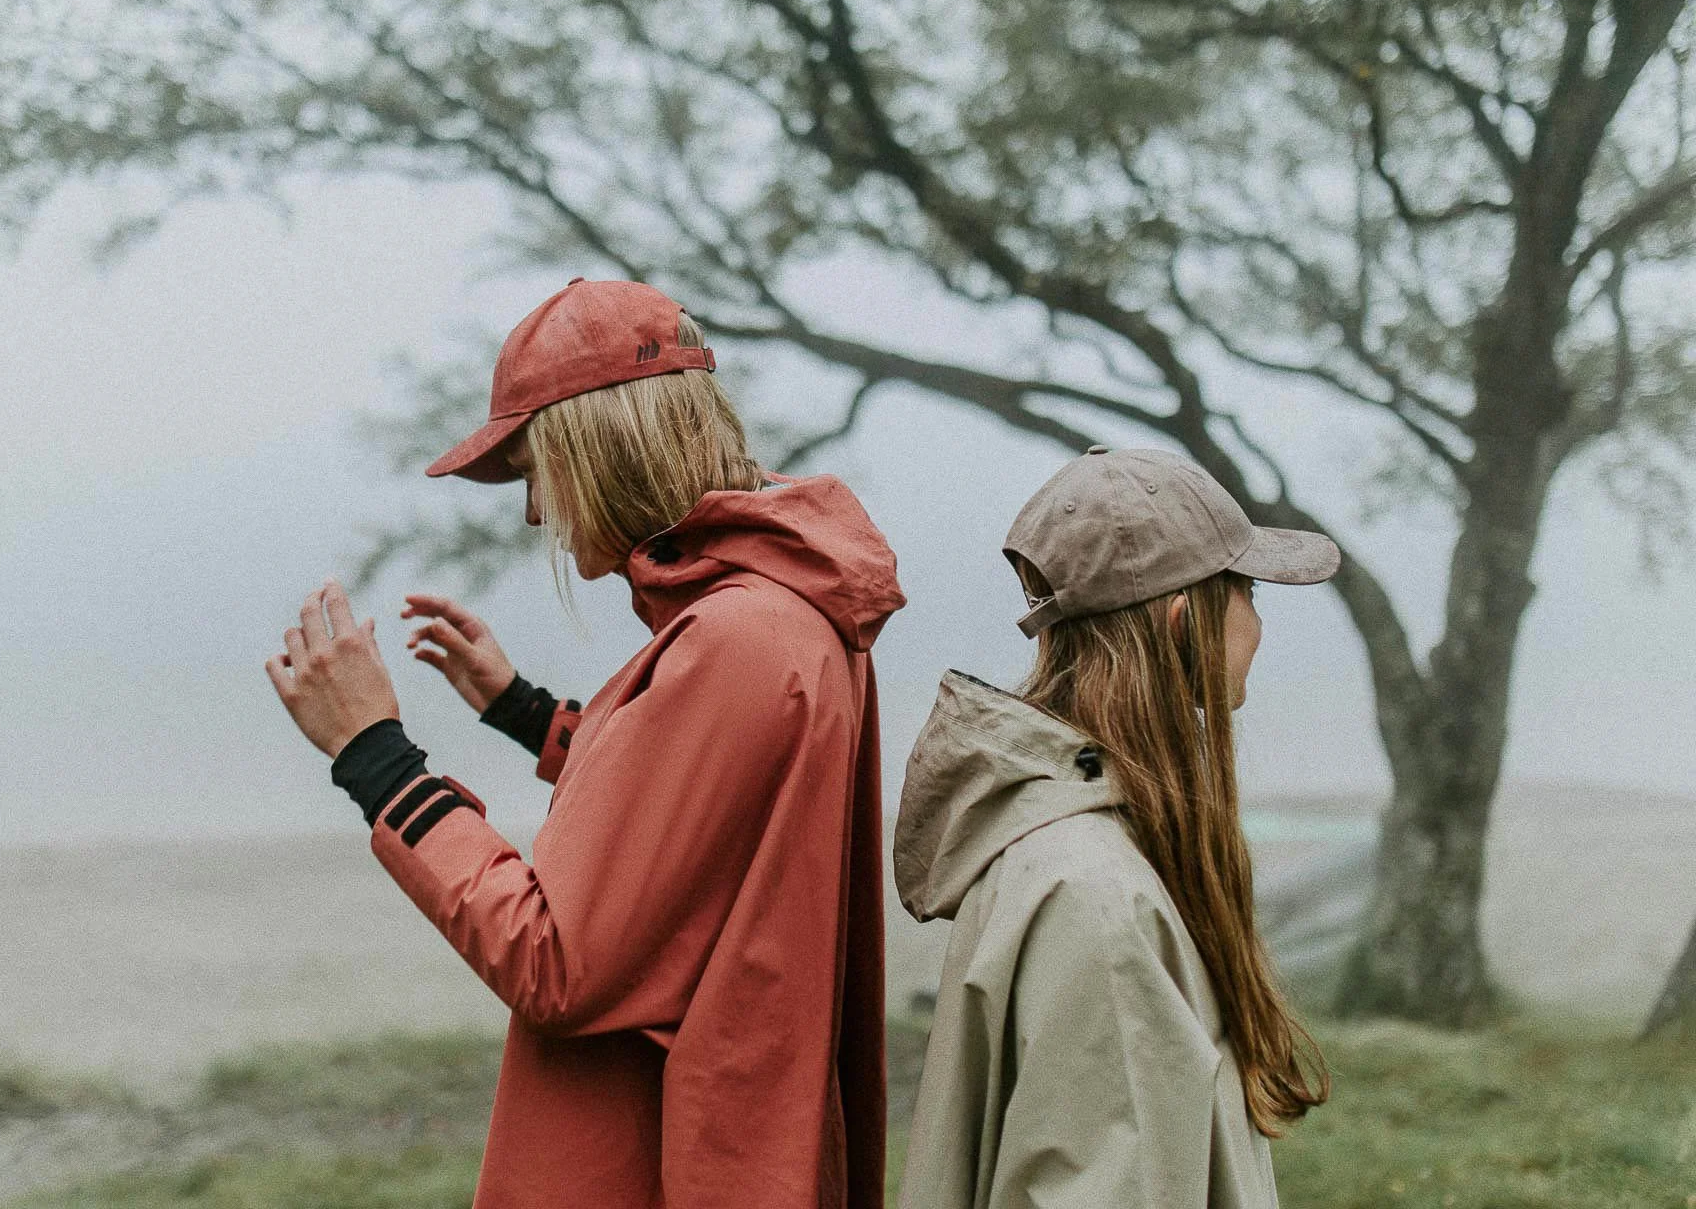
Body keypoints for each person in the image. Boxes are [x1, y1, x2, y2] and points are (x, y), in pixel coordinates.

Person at [265, 278, 906, 1209]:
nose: (533, 513)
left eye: (533, 470)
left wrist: (374, 755)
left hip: (669, 1168)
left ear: (599, 442)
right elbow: (701, 828)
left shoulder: (738, 639)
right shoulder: (783, 615)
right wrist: (524, 711)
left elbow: (554, 962)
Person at [893, 446, 1333, 1209]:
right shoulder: (1097, 897)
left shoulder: (1075, 849)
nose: (1258, 623)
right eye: (1248, 590)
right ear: (1180, 620)